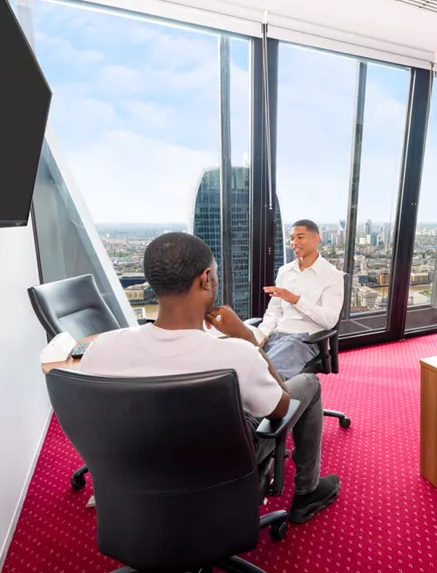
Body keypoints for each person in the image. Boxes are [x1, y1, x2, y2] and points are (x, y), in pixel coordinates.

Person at [80, 232, 340, 523]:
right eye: (215, 274)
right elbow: (282, 408)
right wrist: (248, 339)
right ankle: (307, 492)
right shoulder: (237, 354)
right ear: (205, 278)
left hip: (139, 467)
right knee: (309, 383)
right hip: (221, 464)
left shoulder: (101, 349)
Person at [251, 220, 345, 379]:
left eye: (300, 237)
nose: (294, 242)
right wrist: (263, 333)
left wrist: (296, 300)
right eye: (292, 238)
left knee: (266, 375)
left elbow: (329, 321)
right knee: (244, 362)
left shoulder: (332, 275)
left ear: (316, 238)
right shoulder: (284, 271)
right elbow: (274, 310)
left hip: (305, 340)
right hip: (276, 336)